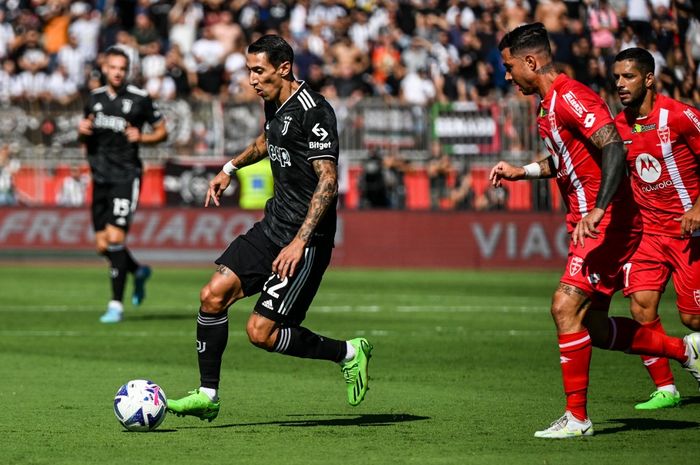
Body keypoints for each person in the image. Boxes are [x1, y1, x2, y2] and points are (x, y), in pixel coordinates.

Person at [489, 23, 700, 439]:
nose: (508, 76)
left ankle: (578, 418)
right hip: (591, 223)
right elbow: (567, 161)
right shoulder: (547, 106)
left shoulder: (570, 96)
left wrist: (600, 209)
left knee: (564, 308)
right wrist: (523, 171)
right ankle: (685, 349)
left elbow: (613, 145)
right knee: (593, 327)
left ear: (532, 61)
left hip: (604, 225)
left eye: (510, 67)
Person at [166, 35, 373, 422]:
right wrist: (231, 167)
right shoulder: (273, 101)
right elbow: (268, 140)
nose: (251, 80)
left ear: (284, 68)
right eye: (248, 71)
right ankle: (208, 395)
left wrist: (299, 242)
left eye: (258, 71)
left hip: (306, 240)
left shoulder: (315, 111)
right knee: (212, 295)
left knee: (261, 333)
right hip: (272, 225)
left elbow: (328, 181)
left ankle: (348, 352)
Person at [612, 48, 700, 410]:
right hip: (649, 235)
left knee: (692, 317)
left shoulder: (680, 116)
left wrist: (699, 207)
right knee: (641, 308)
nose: (620, 84)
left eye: (628, 76)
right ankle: (666, 387)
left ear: (649, 78)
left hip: (688, 233)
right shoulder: (619, 126)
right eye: (616, 77)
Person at [77, 46, 167, 323]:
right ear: (104, 68)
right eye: (113, 67)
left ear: (127, 71)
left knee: (116, 239)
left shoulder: (140, 99)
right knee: (102, 245)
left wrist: (143, 137)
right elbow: (86, 136)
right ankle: (138, 271)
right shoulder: (93, 99)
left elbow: (162, 131)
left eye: (122, 69)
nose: (117, 73)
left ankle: (116, 304)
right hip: (99, 177)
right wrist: (81, 132)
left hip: (126, 177)